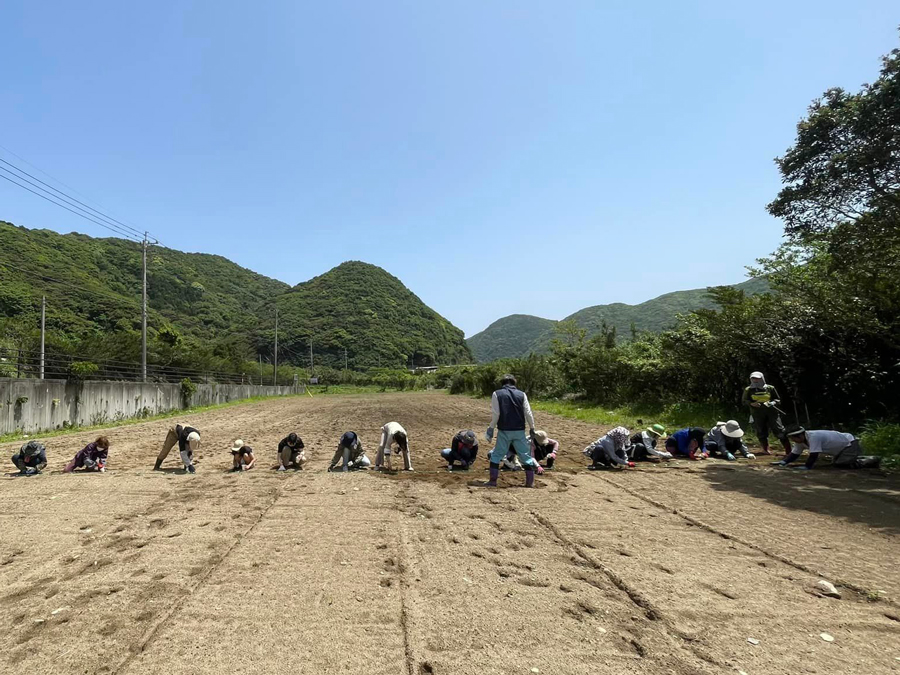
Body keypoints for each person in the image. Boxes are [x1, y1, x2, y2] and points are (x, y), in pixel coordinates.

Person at [486, 374, 543, 487]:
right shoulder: (522, 394)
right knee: (525, 456)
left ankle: (492, 481)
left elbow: (496, 414)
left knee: (496, 455)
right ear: (514, 383)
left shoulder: (496, 394)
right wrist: (532, 427)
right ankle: (529, 483)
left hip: (504, 430)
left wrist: (491, 428)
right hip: (519, 430)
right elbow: (528, 412)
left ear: (502, 383)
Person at [776, 427, 881, 470]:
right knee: (839, 462)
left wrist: (808, 466)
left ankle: (871, 460)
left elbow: (814, 455)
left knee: (841, 464)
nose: (792, 441)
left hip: (850, 444)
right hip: (841, 448)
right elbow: (795, 454)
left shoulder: (813, 437)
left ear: (799, 436)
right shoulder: (802, 440)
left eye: (792, 438)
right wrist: (784, 462)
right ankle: (860, 458)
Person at [742, 372, 791, 456]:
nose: (755, 380)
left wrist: (772, 403)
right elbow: (744, 401)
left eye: (757, 378)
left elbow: (778, 399)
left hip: (772, 412)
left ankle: (788, 450)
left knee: (779, 429)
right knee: (760, 430)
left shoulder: (770, 388)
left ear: (762, 378)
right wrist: (751, 403)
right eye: (753, 378)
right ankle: (765, 449)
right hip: (757, 413)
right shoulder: (748, 390)